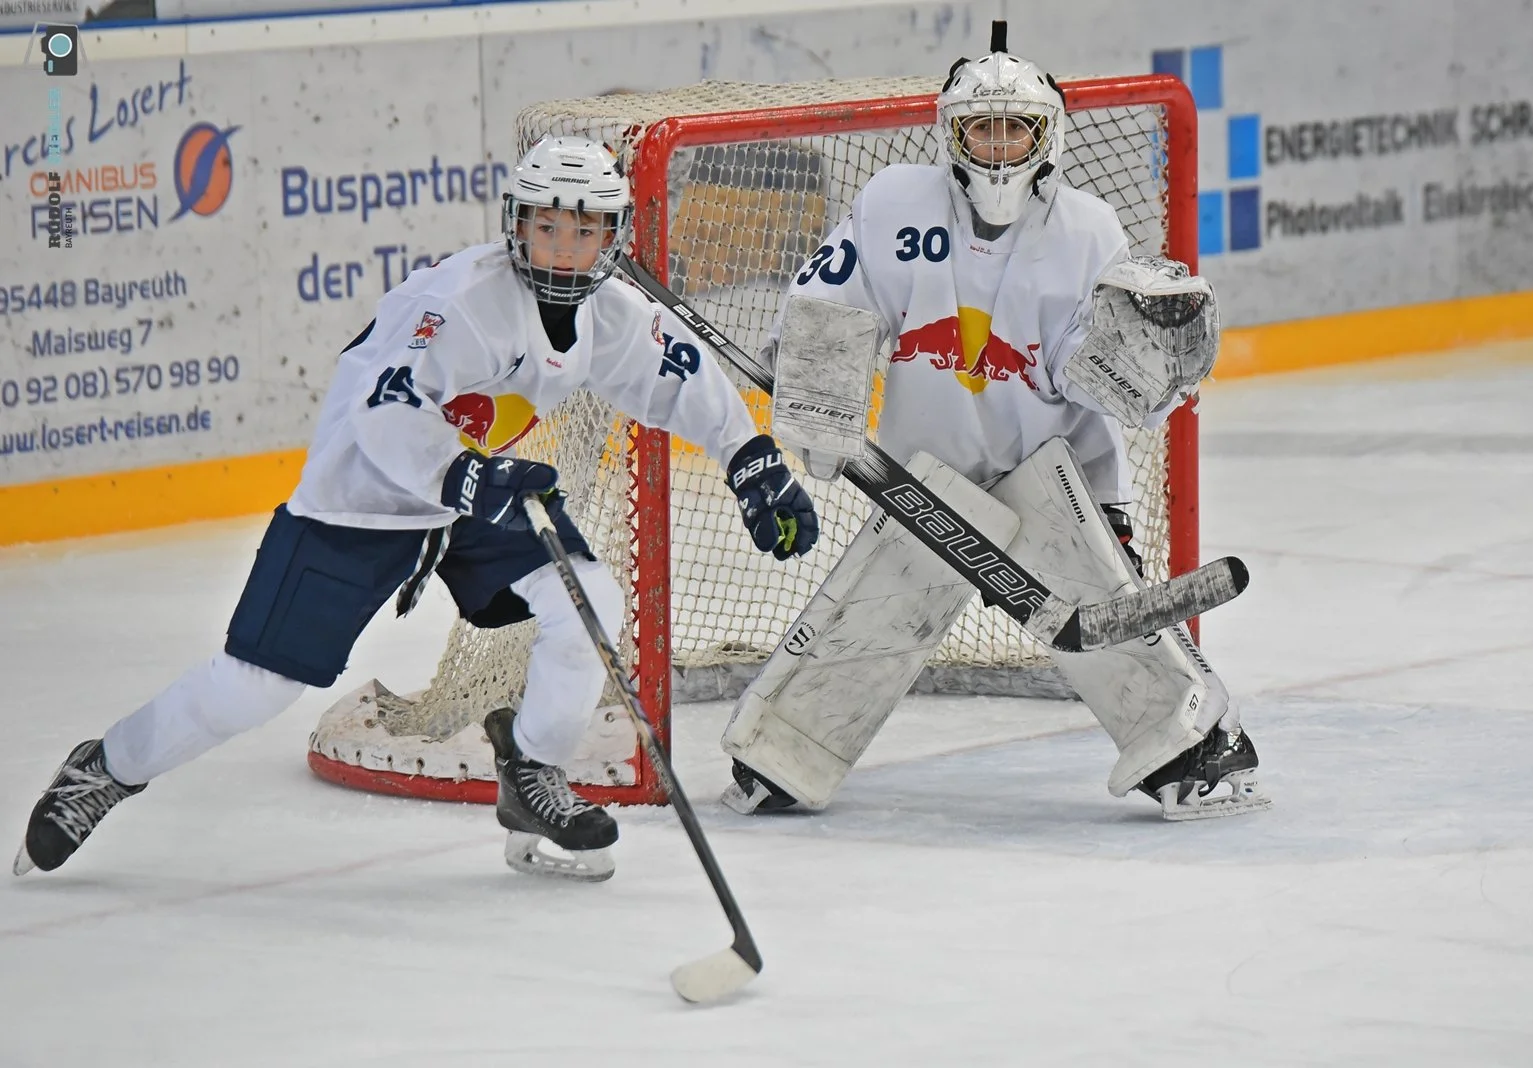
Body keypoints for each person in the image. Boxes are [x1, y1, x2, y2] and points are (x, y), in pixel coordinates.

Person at [14, 136, 818, 883]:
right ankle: (106, 767)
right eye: (548, 229)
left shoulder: (611, 313)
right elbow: (383, 414)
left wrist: (749, 457)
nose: (565, 251)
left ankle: (531, 774)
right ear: (517, 226)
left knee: (589, 603)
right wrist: (465, 481)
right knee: (252, 688)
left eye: (586, 232)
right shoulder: (456, 301)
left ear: (613, 236)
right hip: (364, 496)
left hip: (473, 493)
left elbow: (680, 374)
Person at [718, 31, 1269, 822]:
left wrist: (1145, 361)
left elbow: (1108, 377)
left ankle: (1203, 747)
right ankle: (780, 755)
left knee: (1106, 620)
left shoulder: (1088, 230)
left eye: (1018, 127)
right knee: (874, 617)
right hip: (927, 477)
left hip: (1056, 473)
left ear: (1049, 135)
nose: (1000, 144)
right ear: (953, 132)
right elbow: (832, 306)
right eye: (984, 127)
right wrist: (814, 382)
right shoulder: (893, 204)